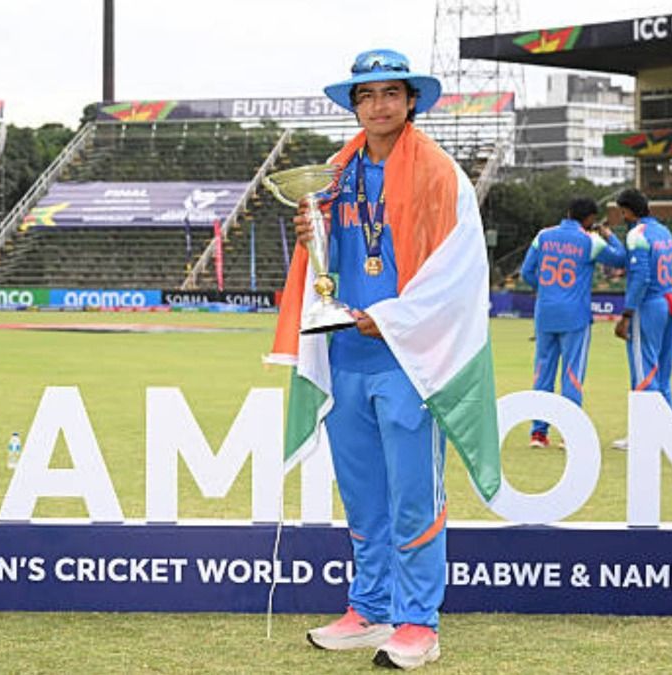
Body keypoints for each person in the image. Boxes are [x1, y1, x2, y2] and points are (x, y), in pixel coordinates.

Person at [267, 48, 500, 671]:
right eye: (366, 96)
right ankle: (369, 608)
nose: (379, 106)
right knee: (363, 495)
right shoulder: (335, 174)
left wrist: (394, 317)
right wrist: (311, 235)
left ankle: (419, 621)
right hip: (345, 351)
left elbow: (459, 269)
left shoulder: (441, 175)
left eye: (391, 93)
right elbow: (330, 261)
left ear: (411, 100)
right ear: (354, 106)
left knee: (414, 497)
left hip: (409, 359)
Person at [519, 197, 626, 448]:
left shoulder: (543, 236)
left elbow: (526, 272)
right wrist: (609, 235)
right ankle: (570, 434)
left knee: (543, 373)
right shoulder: (590, 240)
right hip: (575, 316)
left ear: (568, 212)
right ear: (590, 219)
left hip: (545, 313)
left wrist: (546, 289)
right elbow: (621, 258)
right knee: (572, 374)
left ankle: (538, 434)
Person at [611, 189, 672, 450]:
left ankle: (644, 436)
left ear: (629, 210)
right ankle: (668, 432)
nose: (622, 216)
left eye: (622, 212)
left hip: (647, 306)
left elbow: (640, 278)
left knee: (644, 371)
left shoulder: (636, 234)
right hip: (668, 301)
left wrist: (626, 314)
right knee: (662, 371)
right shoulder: (664, 231)